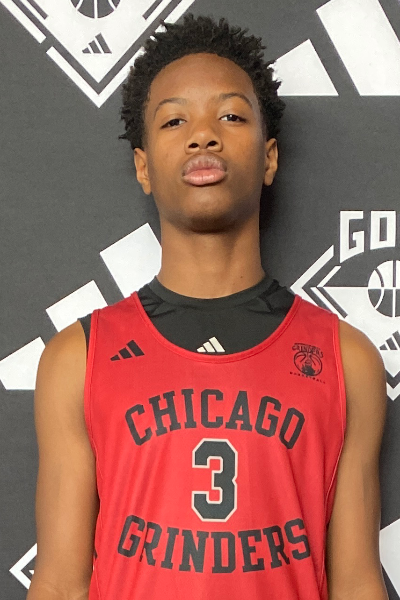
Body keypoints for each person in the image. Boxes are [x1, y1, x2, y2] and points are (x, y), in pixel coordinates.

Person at [27, 13, 388, 600]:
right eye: (175, 120)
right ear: (143, 166)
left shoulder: (345, 359)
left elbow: (356, 583)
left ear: (269, 158)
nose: (203, 137)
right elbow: (61, 585)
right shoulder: (78, 359)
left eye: (231, 116)